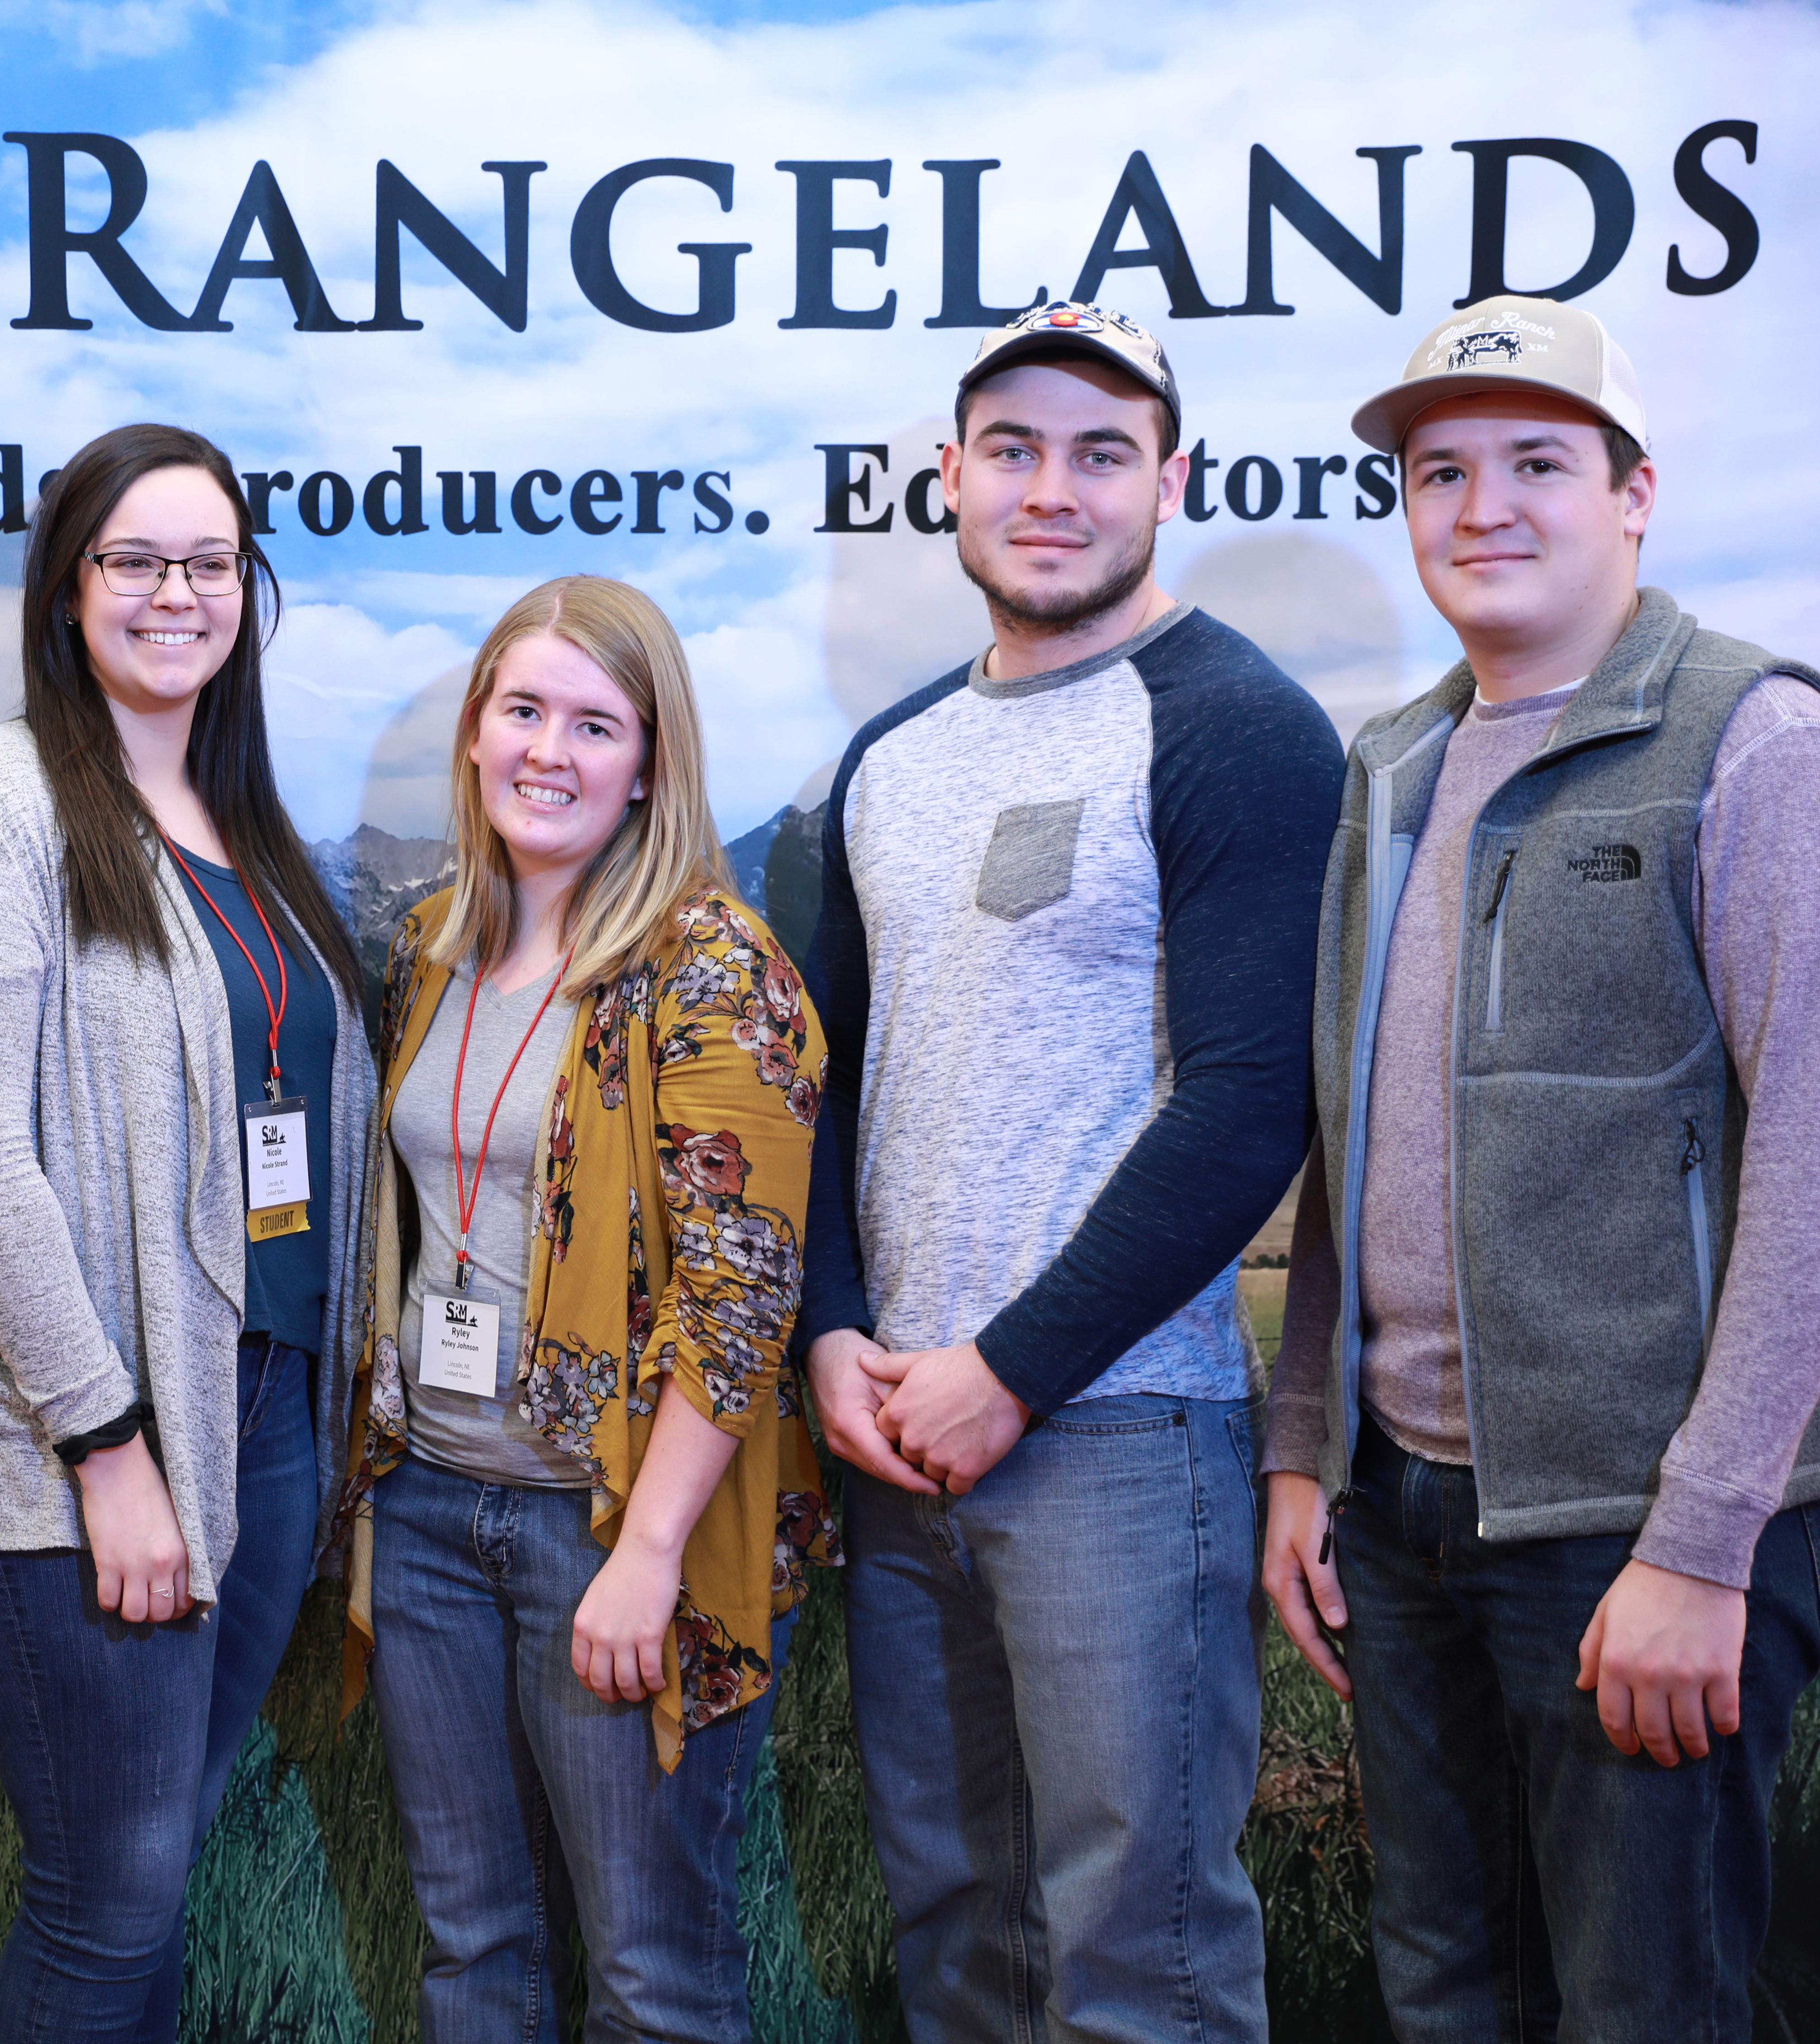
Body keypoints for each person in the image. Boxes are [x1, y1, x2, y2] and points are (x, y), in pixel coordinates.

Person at [1259, 296, 1820, 2041]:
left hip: (1630, 1539)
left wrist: (1706, 1539)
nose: (1479, 506)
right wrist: (1305, 1457)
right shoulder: (1393, 765)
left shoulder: (1753, 744)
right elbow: (1335, 1140)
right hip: (1400, 1518)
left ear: (1633, 493)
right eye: (1439, 472)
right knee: (1444, 1992)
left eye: (1534, 463)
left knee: (1644, 2009)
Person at [789, 302, 1345, 2044]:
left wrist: (1010, 1371)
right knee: (957, 1930)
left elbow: (1254, 1105)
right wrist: (829, 1333)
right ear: (948, 480)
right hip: (892, 1433)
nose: (1053, 489)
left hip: (1119, 1431)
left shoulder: (1237, 724)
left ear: (1167, 482)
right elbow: (824, 1083)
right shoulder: (887, 758)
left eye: (1102, 453)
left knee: (1137, 1956)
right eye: (1013, 450)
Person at [0, 422, 376, 2041]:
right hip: (73, 1436)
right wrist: (107, 1444)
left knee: (150, 1878)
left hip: (263, 1408)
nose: (177, 594)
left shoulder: (245, 821)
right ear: (66, 589)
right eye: (135, 560)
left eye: (209, 562)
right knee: (107, 1897)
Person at [334, 574, 828, 2041]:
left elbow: (740, 1294)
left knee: (649, 1980)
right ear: (477, 734)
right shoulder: (430, 948)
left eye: (594, 724)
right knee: (471, 1947)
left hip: (606, 1525)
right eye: (523, 709)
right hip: (429, 1510)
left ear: (650, 763)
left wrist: (651, 1553)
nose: (549, 751)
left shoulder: (711, 969)